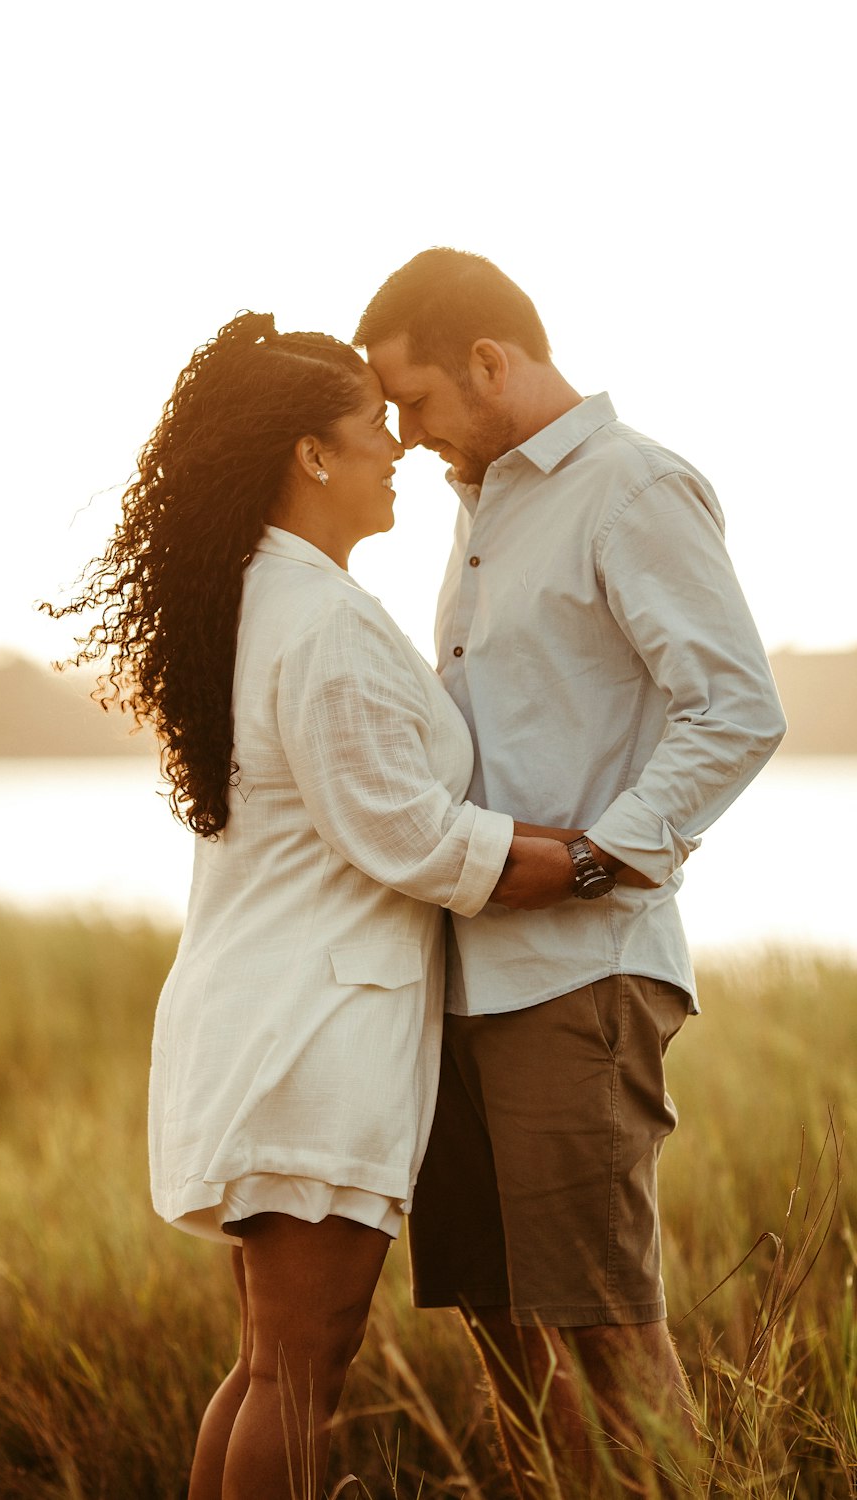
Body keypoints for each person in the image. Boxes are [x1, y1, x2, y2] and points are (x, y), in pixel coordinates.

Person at [45, 312, 607, 1500]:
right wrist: (590, 859)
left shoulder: (274, 598)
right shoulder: (313, 621)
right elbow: (401, 832)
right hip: (310, 1038)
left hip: (273, 1022)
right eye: (370, 428)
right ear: (311, 454)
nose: (395, 447)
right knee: (301, 1370)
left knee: (270, 1369)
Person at [355, 249, 787, 1494]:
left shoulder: (630, 487)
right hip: (461, 983)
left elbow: (736, 710)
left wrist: (598, 861)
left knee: (605, 1322)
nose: (404, 432)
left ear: (490, 362)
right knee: (500, 1325)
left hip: (578, 976)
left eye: (416, 399)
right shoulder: (480, 501)